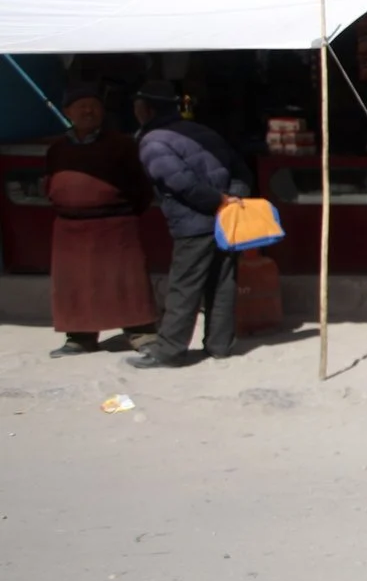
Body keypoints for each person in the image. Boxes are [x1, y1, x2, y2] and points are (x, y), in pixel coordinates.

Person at [128, 80, 250, 369]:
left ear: (145, 109)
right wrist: (232, 200)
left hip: (195, 221)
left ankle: (169, 350)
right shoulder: (204, 131)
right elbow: (240, 169)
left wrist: (218, 200)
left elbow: (182, 183)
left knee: (185, 286)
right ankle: (220, 345)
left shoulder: (154, 142)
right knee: (222, 283)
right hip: (226, 219)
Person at [43, 81, 157, 357]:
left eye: (93, 106)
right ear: (68, 112)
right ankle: (80, 337)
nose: (88, 112)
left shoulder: (121, 144)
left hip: (115, 226)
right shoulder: (57, 149)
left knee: (125, 281)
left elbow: (141, 186)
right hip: (69, 229)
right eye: (81, 107)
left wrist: (119, 212)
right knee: (75, 285)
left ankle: (140, 332)